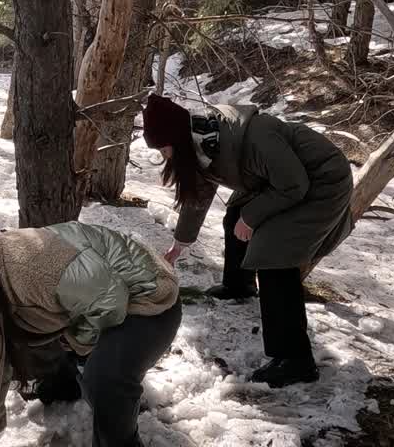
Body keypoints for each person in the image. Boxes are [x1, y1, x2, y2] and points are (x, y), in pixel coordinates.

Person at [140, 93, 354, 388]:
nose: (165, 155)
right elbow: (198, 194)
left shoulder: (254, 138)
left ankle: (295, 360)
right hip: (277, 182)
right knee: (234, 216)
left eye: (165, 148)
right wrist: (180, 244)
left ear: (177, 137)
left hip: (321, 181)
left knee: (274, 253)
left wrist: (252, 218)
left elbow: (294, 184)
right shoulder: (202, 142)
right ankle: (238, 285)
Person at [0, 217, 181, 447]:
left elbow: (111, 301)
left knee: (104, 379)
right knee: (25, 336)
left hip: (151, 299)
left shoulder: (28, 268)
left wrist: (77, 343)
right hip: (101, 301)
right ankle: (63, 387)